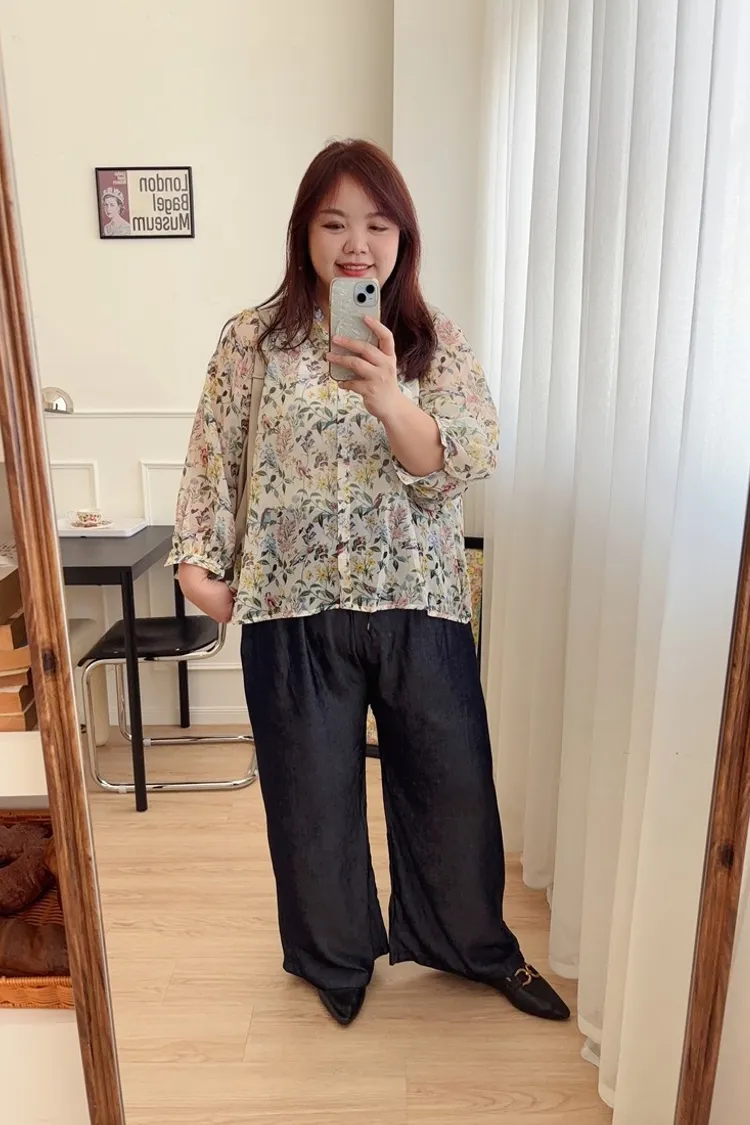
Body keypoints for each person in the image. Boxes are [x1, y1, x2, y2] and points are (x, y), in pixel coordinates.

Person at [169, 139, 570, 1027]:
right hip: (292, 603)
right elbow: (213, 452)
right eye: (335, 222)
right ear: (304, 233)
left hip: (419, 597)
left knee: (452, 785)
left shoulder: (434, 341)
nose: (357, 243)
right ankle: (336, 958)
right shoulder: (252, 340)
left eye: (377, 224)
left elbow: (456, 461)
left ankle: (476, 946)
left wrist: (390, 393)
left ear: (402, 237)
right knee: (310, 796)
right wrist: (200, 564)